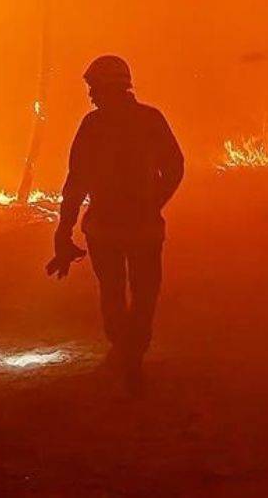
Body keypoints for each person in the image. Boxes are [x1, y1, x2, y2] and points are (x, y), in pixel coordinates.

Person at [48, 55, 184, 392]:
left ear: (108, 87)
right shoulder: (150, 119)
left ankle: (126, 351)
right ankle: (131, 354)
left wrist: (64, 231)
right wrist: (155, 202)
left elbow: (75, 182)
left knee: (113, 290)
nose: (91, 96)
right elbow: (175, 167)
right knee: (144, 292)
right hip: (141, 228)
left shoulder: (93, 126)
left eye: (94, 88)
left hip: (106, 228)